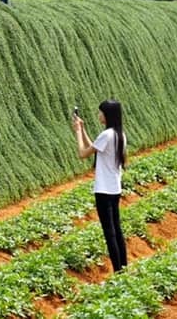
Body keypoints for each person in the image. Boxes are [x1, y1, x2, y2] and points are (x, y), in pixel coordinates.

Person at [72, 99, 128, 273]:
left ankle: (118, 272)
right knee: (117, 231)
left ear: (107, 115)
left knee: (109, 233)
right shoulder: (119, 134)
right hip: (115, 189)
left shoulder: (107, 135)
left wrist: (77, 133)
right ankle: (124, 269)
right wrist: (83, 129)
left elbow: (82, 153)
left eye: (101, 112)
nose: (99, 115)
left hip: (103, 190)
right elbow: (95, 147)